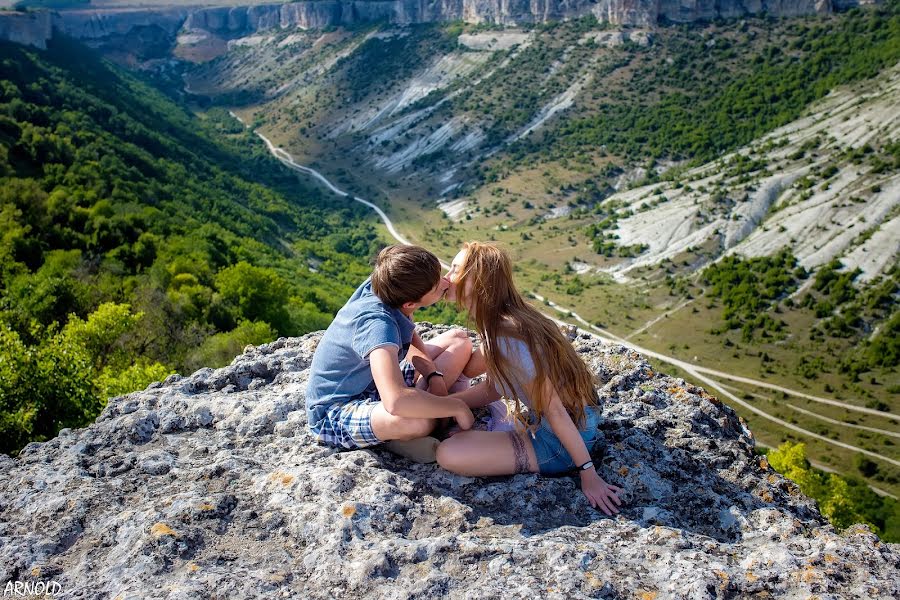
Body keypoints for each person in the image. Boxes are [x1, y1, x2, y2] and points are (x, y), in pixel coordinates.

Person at [437, 242, 623, 515]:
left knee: (448, 453)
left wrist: (588, 474)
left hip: (561, 442)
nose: (447, 277)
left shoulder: (506, 339)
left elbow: (556, 411)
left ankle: (521, 434)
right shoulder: (506, 320)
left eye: (454, 269)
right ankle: (514, 428)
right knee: (454, 440)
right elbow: (492, 389)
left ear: (477, 281)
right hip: (580, 418)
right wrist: (440, 405)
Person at [306, 244, 475, 453]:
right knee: (417, 422)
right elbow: (395, 401)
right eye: (435, 287)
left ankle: (412, 420)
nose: (444, 283)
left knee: (458, 341)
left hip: (375, 385)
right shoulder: (378, 325)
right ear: (410, 304)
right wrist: (456, 407)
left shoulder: (388, 282)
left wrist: (433, 376)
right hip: (336, 411)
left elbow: (407, 332)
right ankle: (398, 437)